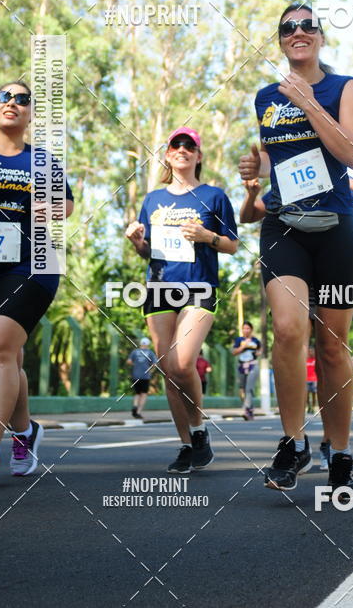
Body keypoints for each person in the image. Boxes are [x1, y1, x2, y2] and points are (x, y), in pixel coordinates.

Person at [239, 2, 353, 493]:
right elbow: (275, 159)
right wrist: (256, 173)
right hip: (283, 226)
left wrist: (309, 101)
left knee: (332, 347)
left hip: (335, 227)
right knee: (288, 329)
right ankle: (293, 444)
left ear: (320, 37)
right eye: (288, 28)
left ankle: (340, 450)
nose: (298, 32)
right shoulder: (266, 97)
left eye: (307, 26)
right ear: (280, 41)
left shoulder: (344, 87)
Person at [0, 81, 74, 481]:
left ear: (29, 115)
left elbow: (67, 207)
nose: (12, 103)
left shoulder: (41, 160)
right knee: (3, 358)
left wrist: (39, 199)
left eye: (22, 99)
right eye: (5, 96)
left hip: (33, 263)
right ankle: (25, 432)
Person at [126, 126, 238, 474]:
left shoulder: (214, 195)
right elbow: (148, 252)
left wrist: (207, 236)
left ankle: (200, 430)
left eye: (190, 145)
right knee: (168, 370)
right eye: (177, 145)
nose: (183, 149)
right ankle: (188, 445)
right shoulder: (153, 200)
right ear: (168, 155)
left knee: (181, 363)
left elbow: (232, 245)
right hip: (159, 287)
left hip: (199, 287)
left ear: (199, 156)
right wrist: (135, 240)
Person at [232, 321, 262, 420]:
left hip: (252, 365)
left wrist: (257, 353)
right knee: (242, 390)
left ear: (251, 329)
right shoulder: (239, 340)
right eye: (244, 328)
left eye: (248, 328)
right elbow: (234, 352)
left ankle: (246, 409)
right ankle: (250, 409)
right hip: (241, 365)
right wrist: (243, 346)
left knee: (249, 388)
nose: (246, 330)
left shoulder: (256, 341)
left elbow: (260, 350)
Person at [127, 337, 157, 418]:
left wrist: (136, 365)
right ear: (148, 344)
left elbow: (129, 361)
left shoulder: (135, 351)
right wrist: (150, 370)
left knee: (137, 393)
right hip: (145, 376)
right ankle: (139, 411)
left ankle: (135, 405)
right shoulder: (150, 353)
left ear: (140, 343)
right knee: (144, 394)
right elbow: (154, 364)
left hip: (135, 375)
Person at [306, 345, 318, 413]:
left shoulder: (316, 360)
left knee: (314, 394)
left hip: (314, 379)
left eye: (312, 351)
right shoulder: (305, 360)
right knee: (307, 394)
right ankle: (309, 407)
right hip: (306, 379)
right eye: (309, 351)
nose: (310, 353)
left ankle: (313, 407)